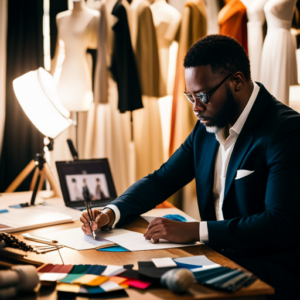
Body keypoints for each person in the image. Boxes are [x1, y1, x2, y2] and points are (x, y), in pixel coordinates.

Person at [80, 35, 300, 297]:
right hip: (214, 257)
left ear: (237, 82)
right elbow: (162, 180)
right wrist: (111, 212)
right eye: (190, 96)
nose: (196, 107)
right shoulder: (208, 123)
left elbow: (280, 224)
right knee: (129, 281)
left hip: (267, 272)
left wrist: (195, 230)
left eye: (203, 95)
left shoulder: (286, 130)